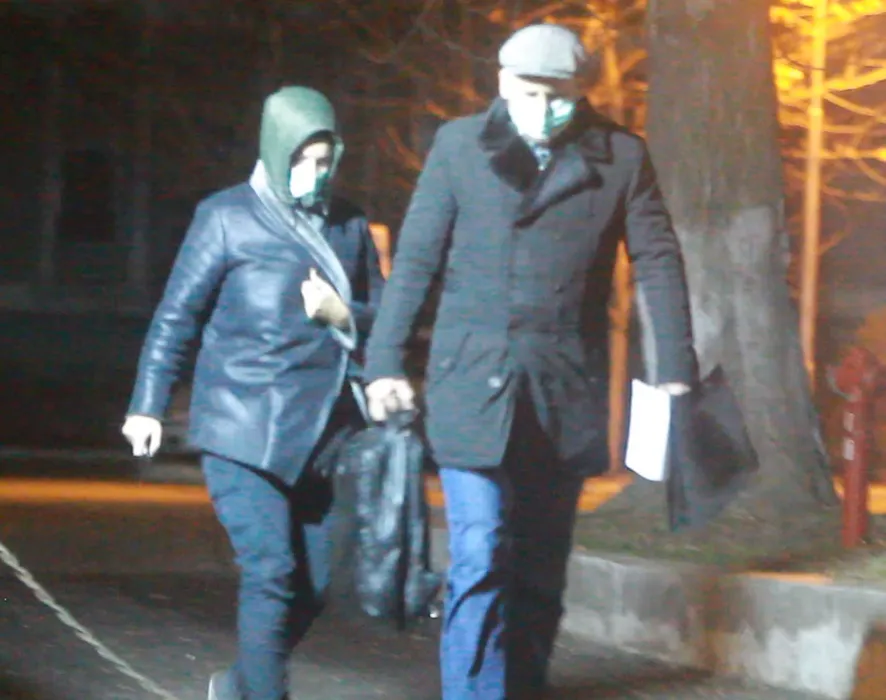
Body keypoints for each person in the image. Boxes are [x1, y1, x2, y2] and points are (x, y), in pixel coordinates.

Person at [362, 23, 696, 700]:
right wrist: (384, 362)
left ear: (581, 92)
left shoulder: (620, 157)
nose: (541, 110)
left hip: (563, 387)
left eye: (557, 96)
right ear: (501, 84)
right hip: (472, 381)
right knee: (480, 551)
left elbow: (658, 260)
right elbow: (417, 258)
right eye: (527, 94)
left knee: (540, 567)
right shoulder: (459, 146)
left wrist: (675, 367)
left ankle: (521, 685)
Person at [121, 86, 384, 700]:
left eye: (325, 160)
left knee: (314, 586)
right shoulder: (225, 217)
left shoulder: (349, 225)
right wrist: (147, 405)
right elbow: (177, 316)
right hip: (242, 426)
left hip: (322, 434)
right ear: (275, 148)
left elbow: (387, 315)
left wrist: (344, 314)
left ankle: (240, 685)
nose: (314, 173)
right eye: (302, 159)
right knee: (271, 571)